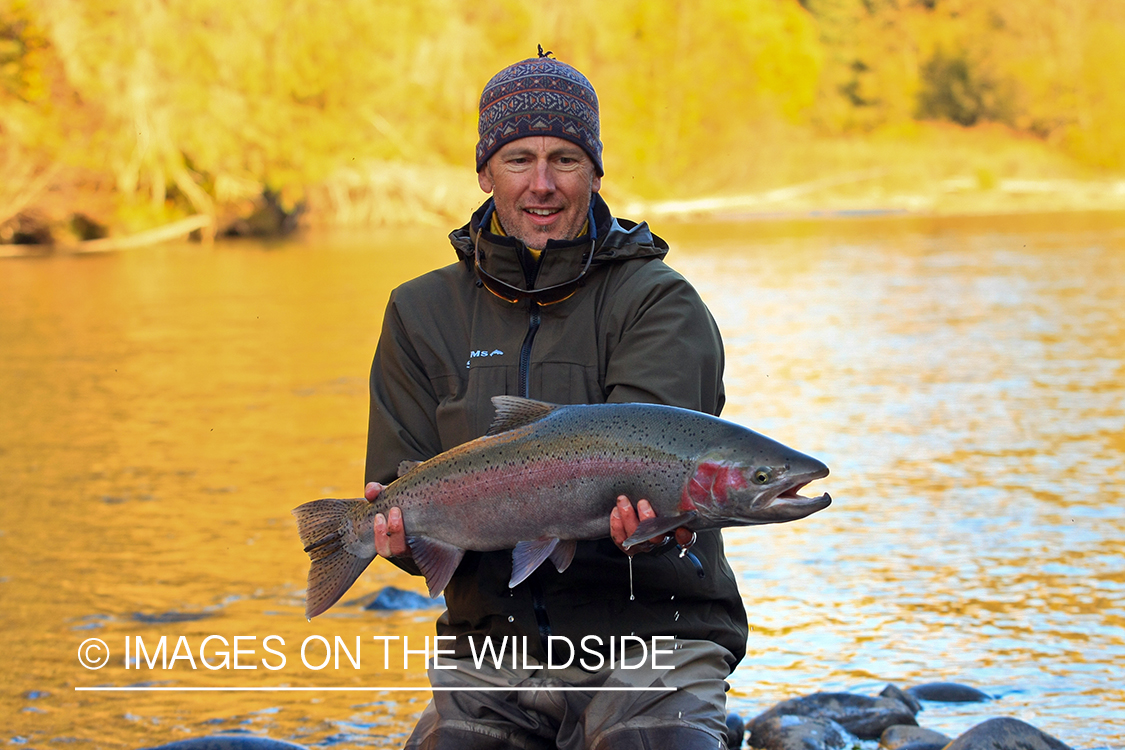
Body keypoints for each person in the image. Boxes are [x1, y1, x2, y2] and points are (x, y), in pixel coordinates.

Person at [362, 48, 748, 750]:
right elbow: (399, 484)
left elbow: (661, 467)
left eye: (564, 159)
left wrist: (659, 519)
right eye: (518, 160)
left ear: (596, 171)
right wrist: (396, 537)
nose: (541, 184)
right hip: (489, 653)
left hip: (650, 641)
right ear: (484, 172)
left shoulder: (658, 304)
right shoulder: (418, 312)